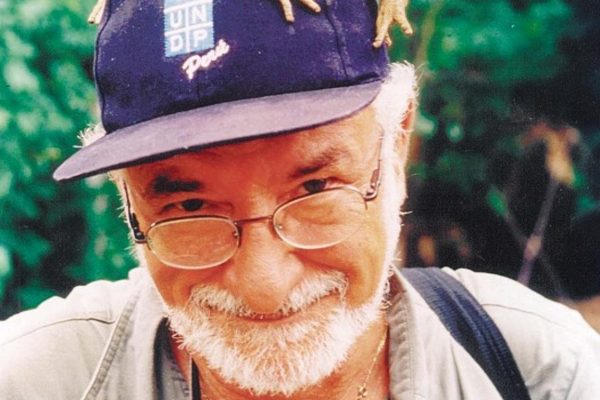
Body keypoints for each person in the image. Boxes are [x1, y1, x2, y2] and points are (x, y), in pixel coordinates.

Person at [2, 0, 600, 399]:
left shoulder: (541, 370)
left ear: (396, 143)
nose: (263, 286)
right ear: (127, 196)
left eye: (316, 188)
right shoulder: (36, 379)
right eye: (189, 207)